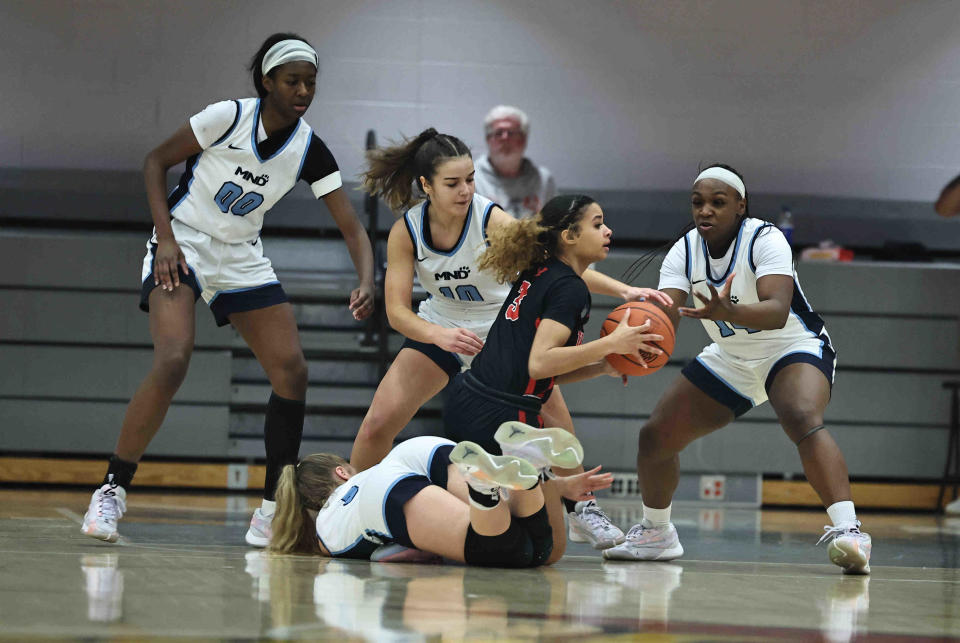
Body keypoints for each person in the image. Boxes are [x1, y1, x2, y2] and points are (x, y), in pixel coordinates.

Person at [80, 33, 375, 547]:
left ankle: (268, 509)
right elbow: (155, 162)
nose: (303, 90)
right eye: (292, 81)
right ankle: (111, 490)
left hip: (240, 256)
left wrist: (367, 280)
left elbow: (353, 228)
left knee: (292, 370)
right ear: (267, 82)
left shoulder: (310, 148)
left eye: (310, 81)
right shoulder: (226, 117)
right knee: (173, 360)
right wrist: (166, 238)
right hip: (186, 241)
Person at [353, 132, 669, 548]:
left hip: (500, 328)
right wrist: (440, 336)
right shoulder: (406, 232)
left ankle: (582, 511)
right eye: (452, 183)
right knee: (378, 423)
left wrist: (624, 292)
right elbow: (397, 312)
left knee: (557, 424)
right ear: (426, 186)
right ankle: (350, 506)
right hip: (443, 327)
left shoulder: (491, 220)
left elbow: (559, 265)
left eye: (469, 178)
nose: (466, 190)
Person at [603, 164, 872, 574]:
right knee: (655, 437)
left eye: (717, 202)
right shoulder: (684, 250)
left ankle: (850, 532)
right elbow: (666, 316)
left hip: (792, 345)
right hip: (732, 355)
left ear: (740, 206)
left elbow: (778, 311)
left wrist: (728, 309)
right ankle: (657, 533)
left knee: (800, 415)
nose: (705, 211)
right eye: (698, 203)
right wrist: (635, 350)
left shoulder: (765, 238)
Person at [443, 194, 665, 466]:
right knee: (531, 504)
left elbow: (540, 376)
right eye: (597, 225)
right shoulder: (569, 288)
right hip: (502, 415)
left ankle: (578, 504)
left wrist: (601, 367)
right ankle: (581, 505)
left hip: (473, 399)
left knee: (517, 502)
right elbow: (540, 364)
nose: (608, 231)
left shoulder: (544, 271)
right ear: (570, 236)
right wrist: (612, 343)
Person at [270, 421, 602, 566]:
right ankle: (529, 465)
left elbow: (391, 556)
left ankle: (485, 489)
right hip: (414, 450)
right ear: (342, 471)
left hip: (382, 496)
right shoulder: (367, 472)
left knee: (511, 553)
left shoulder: (328, 529)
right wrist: (557, 487)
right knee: (537, 551)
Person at [474, 105, 556, 219]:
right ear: (488, 139)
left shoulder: (543, 179)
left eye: (511, 133)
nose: (505, 138)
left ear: (524, 139)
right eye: (498, 133)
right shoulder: (471, 179)